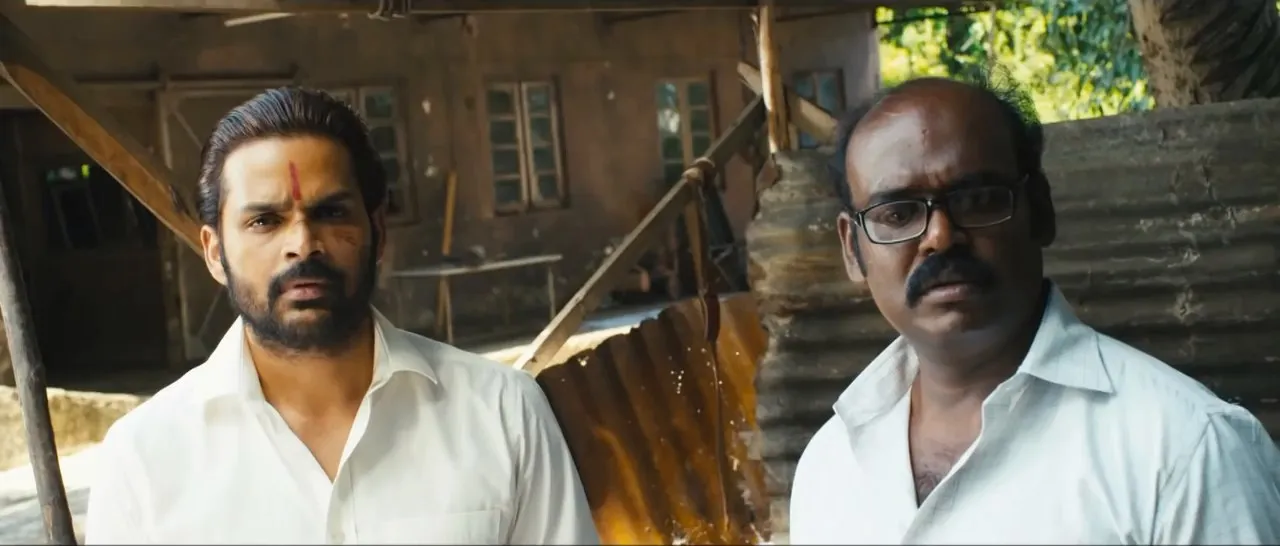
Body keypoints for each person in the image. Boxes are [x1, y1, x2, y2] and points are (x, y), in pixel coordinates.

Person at [83, 87, 599, 545]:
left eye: (330, 213)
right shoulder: (143, 459)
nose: (303, 243)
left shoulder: (503, 413)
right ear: (215, 252)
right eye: (265, 221)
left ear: (378, 232)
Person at [788, 74, 1280, 544]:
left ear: (1039, 211)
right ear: (852, 248)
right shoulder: (828, 468)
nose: (940, 235)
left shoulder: (1184, 449)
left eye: (978, 199)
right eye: (897, 213)